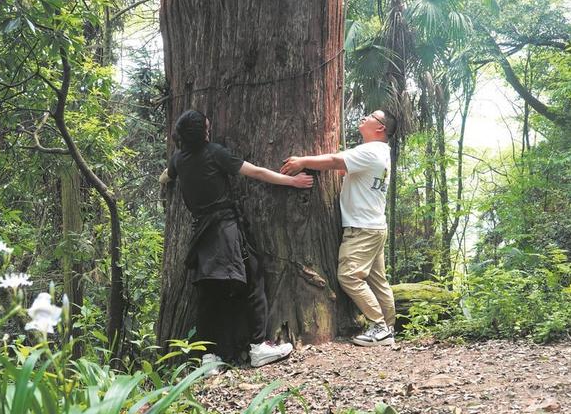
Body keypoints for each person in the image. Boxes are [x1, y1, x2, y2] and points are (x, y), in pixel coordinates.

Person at [160, 109, 313, 372]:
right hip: (225, 231)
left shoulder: (178, 159)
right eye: (207, 126)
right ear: (204, 132)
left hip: (202, 235)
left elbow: (166, 177)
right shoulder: (215, 153)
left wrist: (166, 179)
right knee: (253, 279)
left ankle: (209, 358)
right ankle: (257, 348)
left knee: (209, 294)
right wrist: (292, 181)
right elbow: (257, 173)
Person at [280, 109, 397, 347]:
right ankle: (389, 326)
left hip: (362, 228)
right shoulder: (382, 153)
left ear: (380, 127)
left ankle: (379, 327)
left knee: (349, 276)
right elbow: (345, 168)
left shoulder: (372, 151)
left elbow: (334, 161)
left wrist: (302, 161)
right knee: (377, 281)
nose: (364, 118)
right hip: (374, 226)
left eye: (370, 116)